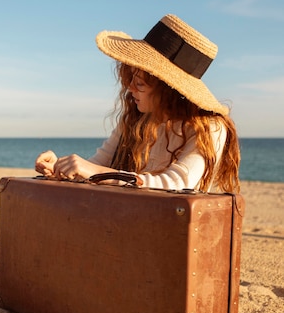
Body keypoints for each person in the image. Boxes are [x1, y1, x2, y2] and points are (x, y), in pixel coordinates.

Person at [35, 14, 240, 193]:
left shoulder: (209, 128)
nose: (130, 87)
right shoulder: (135, 119)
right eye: (129, 78)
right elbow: (94, 166)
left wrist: (95, 172)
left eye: (140, 82)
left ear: (168, 88)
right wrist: (61, 168)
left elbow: (177, 183)